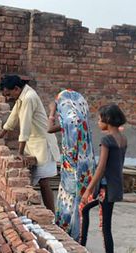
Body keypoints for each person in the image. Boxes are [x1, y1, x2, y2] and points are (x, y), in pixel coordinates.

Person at [0, 75, 61, 213]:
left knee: (44, 182)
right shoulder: (22, 96)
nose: (8, 98)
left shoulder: (29, 97)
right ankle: (45, 214)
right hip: (34, 144)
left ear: (16, 89)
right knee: (37, 182)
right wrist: (1, 134)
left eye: (9, 94)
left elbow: (25, 126)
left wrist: (20, 153)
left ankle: (51, 216)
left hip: (42, 144)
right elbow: (13, 117)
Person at [79, 103, 127, 253]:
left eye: (99, 120)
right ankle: (82, 247)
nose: (98, 123)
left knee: (105, 227)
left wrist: (88, 190)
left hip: (106, 189)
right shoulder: (122, 138)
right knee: (86, 212)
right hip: (114, 186)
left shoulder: (106, 140)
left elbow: (101, 167)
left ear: (107, 120)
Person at [47, 90, 96, 240]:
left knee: (70, 201)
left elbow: (49, 128)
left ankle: (71, 235)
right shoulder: (79, 121)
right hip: (81, 170)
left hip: (73, 170)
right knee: (75, 203)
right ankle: (74, 233)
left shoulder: (70, 122)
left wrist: (51, 112)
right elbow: (51, 129)